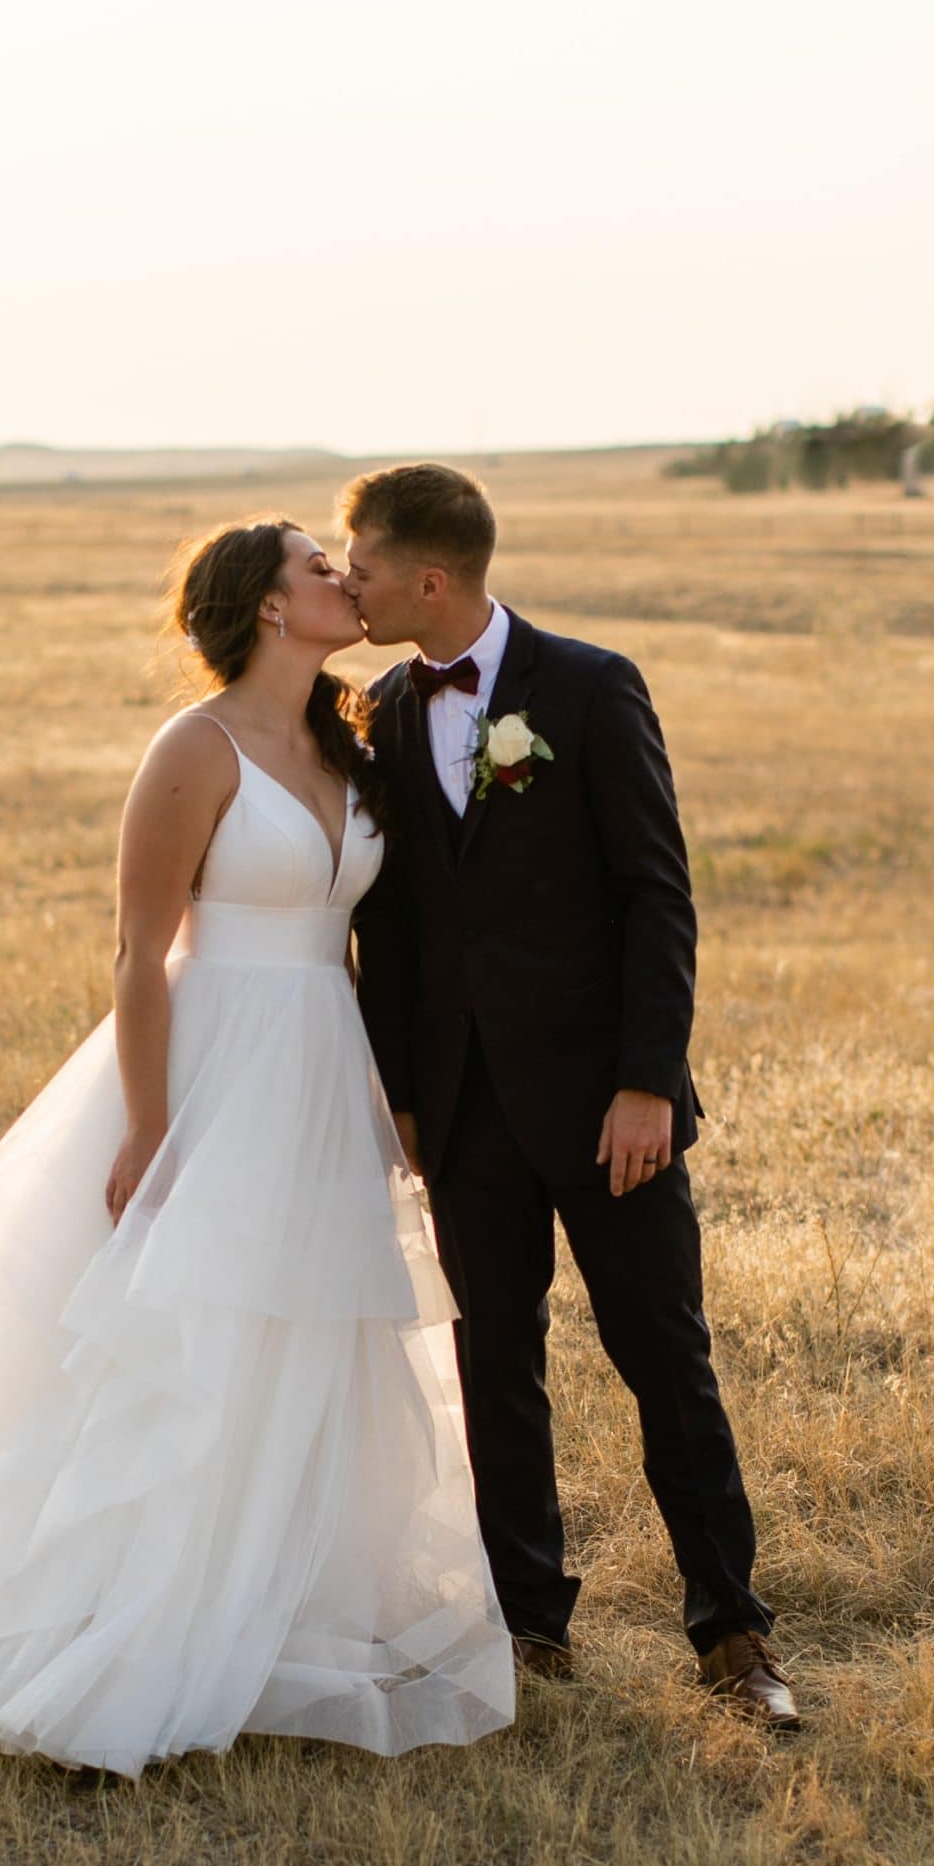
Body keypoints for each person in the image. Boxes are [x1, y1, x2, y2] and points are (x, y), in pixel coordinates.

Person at [0, 519, 514, 1775]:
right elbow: (138, 953)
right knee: (180, 1341)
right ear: (268, 609)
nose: (343, 575)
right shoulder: (195, 747)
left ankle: (274, 1597)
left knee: (303, 1334)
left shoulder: (348, 737)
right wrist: (155, 1125)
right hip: (215, 1066)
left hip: (323, 1069)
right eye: (318, 566)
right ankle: (121, 1614)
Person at [341, 463, 799, 1731]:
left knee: (665, 1358)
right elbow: (392, 929)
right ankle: (529, 1624)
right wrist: (408, 1106)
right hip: (466, 1112)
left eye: (362, 565)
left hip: (611, 1111)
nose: (348, 582)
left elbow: (659, 894)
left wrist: (650, 1082)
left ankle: (733, 1631)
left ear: (429, 577)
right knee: (496, 1367)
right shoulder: (377, 710)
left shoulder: (592, 689)